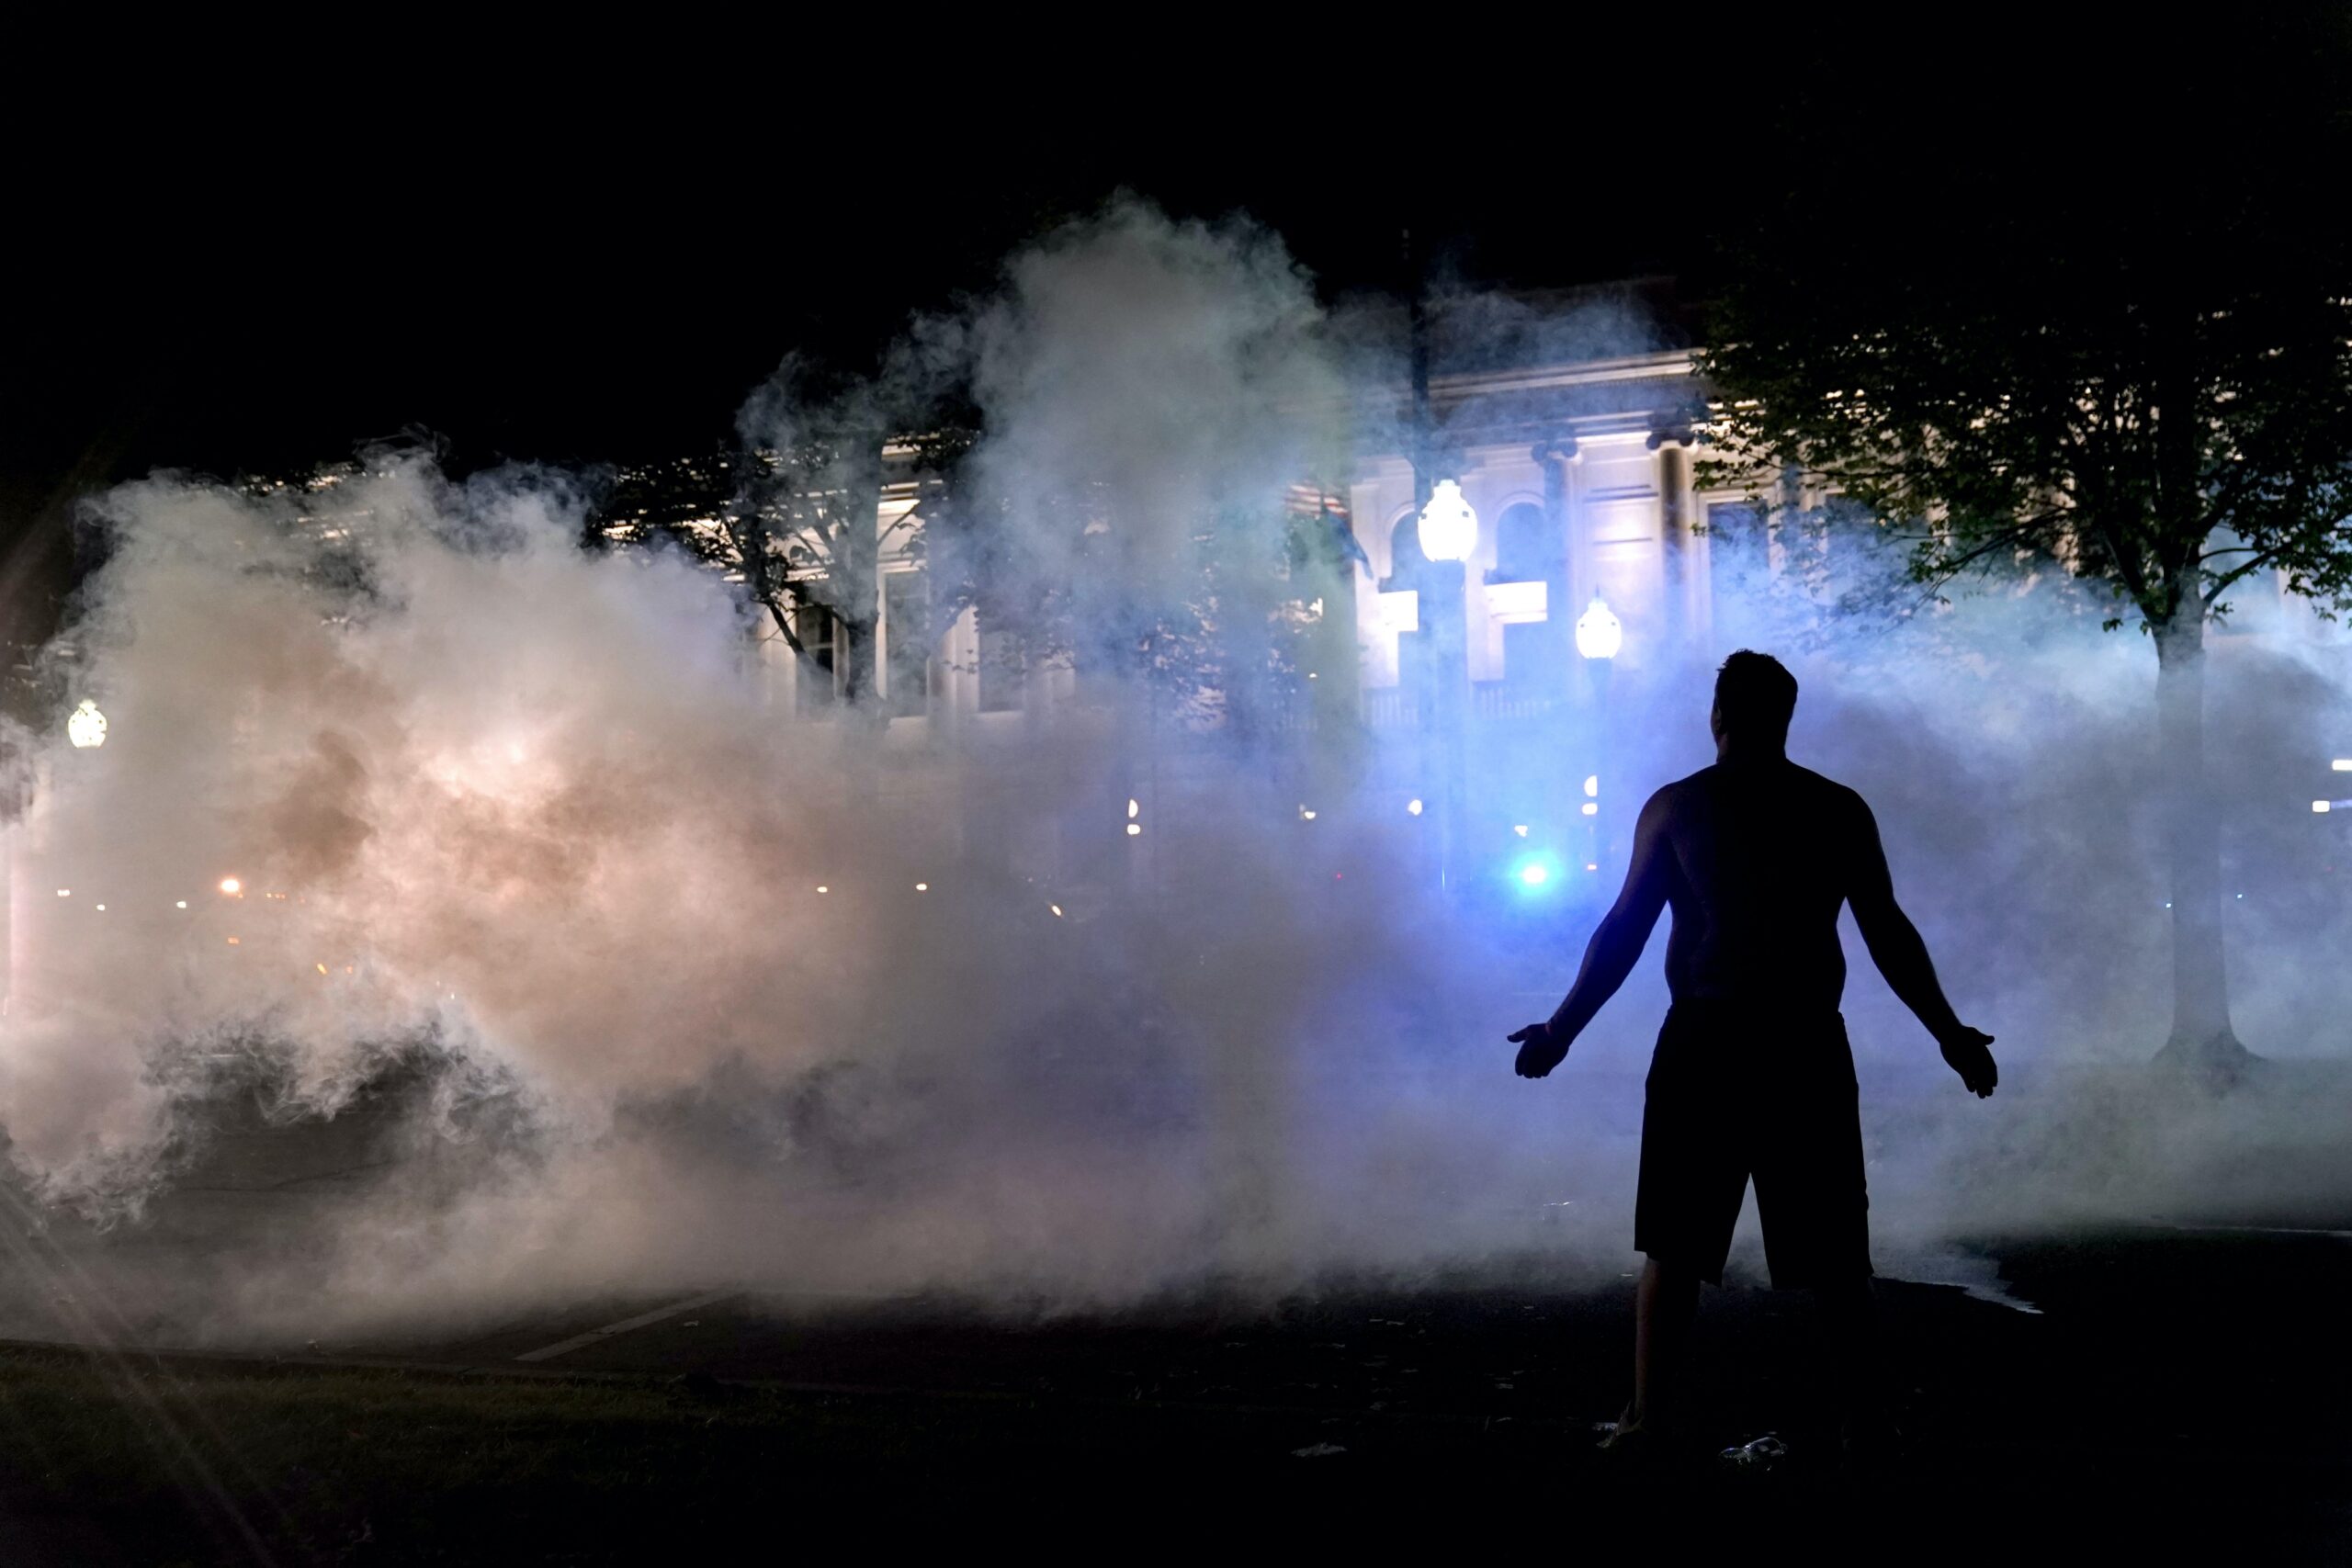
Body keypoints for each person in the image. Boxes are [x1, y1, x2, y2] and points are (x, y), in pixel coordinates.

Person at [1508, 650, 1996, 1461]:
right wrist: (1948, 1032)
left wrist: (1562, 1029)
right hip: (1803, 1041)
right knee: (1837, 1256)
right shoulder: (1834, 809)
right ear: (1784, 717)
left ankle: (1649, 1419)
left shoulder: (1678, 809)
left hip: (1707, 1040)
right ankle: (1866, 1423)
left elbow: (1624, 931)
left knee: (1675, 1246)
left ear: (1719, 715)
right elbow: (1887, 933)